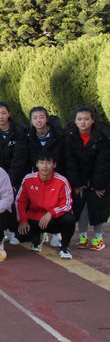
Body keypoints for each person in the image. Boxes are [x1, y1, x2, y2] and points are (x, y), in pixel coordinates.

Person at [64, 107, 110, 251]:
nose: (83, 122)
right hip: (80, 177)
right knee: (81, 206)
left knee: (97, 206)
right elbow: (70, 161)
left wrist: (97, 185)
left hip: (99, 177)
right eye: (79, 119)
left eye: (86, 119)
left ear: (92, 121)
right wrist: (77, 183)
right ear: (75, 121)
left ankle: (98, 238)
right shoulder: (69, 136)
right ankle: (82, 236)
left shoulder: (103, 136)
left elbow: (103, 163)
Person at [15, 152, 74, 259]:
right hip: (34, 218)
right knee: (20, 236)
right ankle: (37, 239)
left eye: (48, 163)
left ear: (54, 165)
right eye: (41, 163)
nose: (45, 166)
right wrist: (23, 220)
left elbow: (67, 204)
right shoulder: (28, 179)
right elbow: (20, 201)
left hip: (53, 219)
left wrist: (51, 213)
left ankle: (64, 248)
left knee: (69, 219)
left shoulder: (62, 181)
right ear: (37, 164)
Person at [0, 102, 29, 189]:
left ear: (9, 114)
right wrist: (2, 177)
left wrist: (10, 180)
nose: (1, 117)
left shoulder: (19, 130)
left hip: (19, 173)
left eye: (3, 113)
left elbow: (19, 157)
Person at [26, 106, 64, 173]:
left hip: (58, 171)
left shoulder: (58, 134)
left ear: (47, 119)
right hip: (38, 173)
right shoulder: (28, 136)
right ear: (31, 121)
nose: (38, 120)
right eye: (35, 118)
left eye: (41, 117)